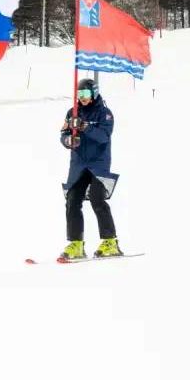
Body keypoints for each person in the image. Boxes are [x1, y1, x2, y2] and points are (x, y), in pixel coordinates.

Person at [59, 77, 123, 260]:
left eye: (86, 94)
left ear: (94, 93)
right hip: (78, 163)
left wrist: (85, 127)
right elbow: (63, 133)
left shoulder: (105, 114)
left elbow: (104, 136)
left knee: (97, 198)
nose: (82, 98)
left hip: (98, 164)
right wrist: (68, 140)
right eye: (79, 94)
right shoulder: (72, 112)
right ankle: (76, 243)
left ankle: (110, 241)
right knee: (72, 200)